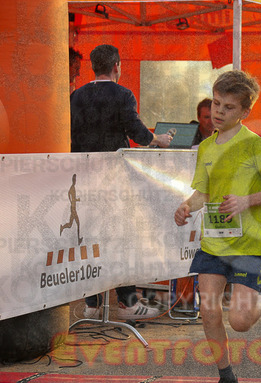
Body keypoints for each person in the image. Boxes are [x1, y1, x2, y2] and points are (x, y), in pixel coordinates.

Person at [174, 70, 261, 383]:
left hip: (248, 245)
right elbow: (203, 192)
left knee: (239, 322)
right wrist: (187, 206)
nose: (218, 111)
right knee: (208, 311)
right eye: (216, 103)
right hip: (214, 242)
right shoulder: (206, 147)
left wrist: (246, 201)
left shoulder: (256, 146)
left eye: (228, 107)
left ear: (244, 112)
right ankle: (227, 380)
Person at [71, 44, 172, 320]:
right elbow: (136, 131)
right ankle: (127, 304)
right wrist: (157, 139)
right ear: (117, 65)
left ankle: (92, 305)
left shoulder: (76, 96)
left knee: (91, 240)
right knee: (121, 240)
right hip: (114, 179)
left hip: (83, 180)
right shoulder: (123, 94)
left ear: (93, 66)